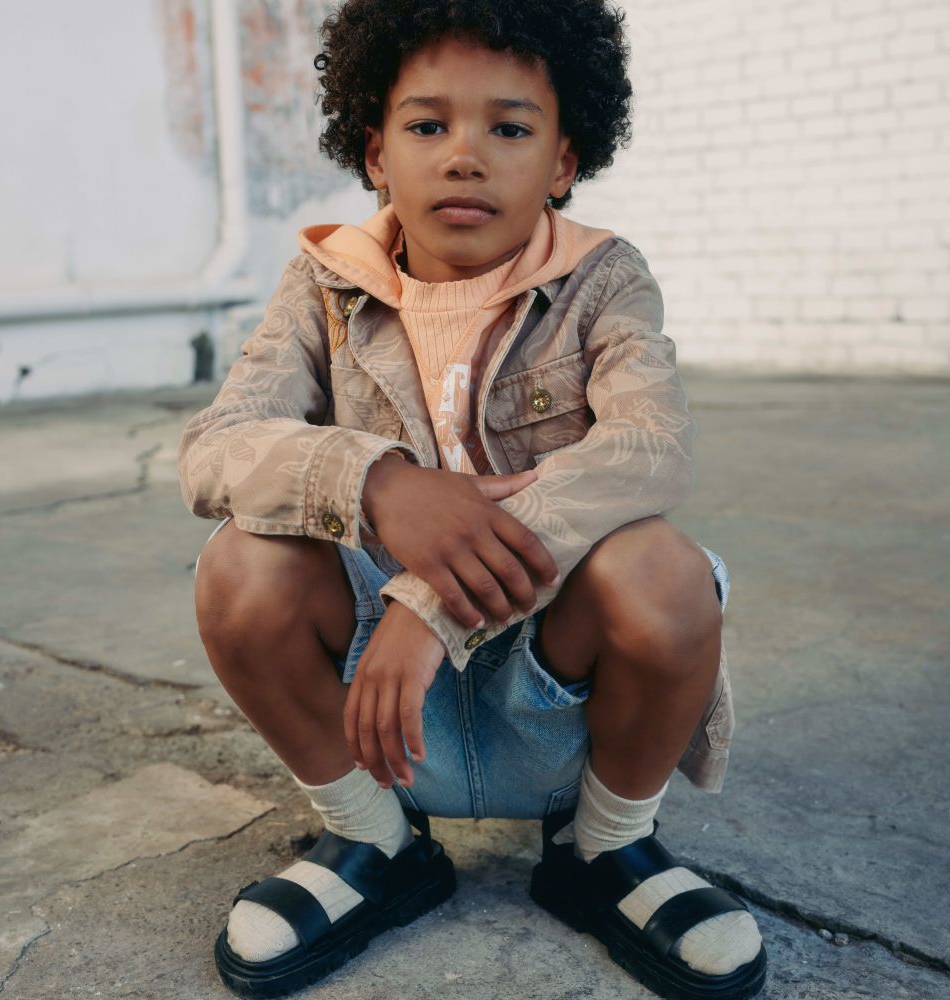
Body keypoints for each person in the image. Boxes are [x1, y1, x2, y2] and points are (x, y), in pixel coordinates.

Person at [179, 2, 766, 998]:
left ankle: (603, 850)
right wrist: (376, 484)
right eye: (426, 125)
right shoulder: (324, 285)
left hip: (555, 697)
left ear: (564, 160)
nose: (464, 156)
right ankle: (373, 845)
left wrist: (432, 601)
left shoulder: (603, 280)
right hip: (377, 718)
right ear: (373, 153)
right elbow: (214, 449)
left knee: (661, 569)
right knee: (242, 562)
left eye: (507, 127)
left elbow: (650, 447)